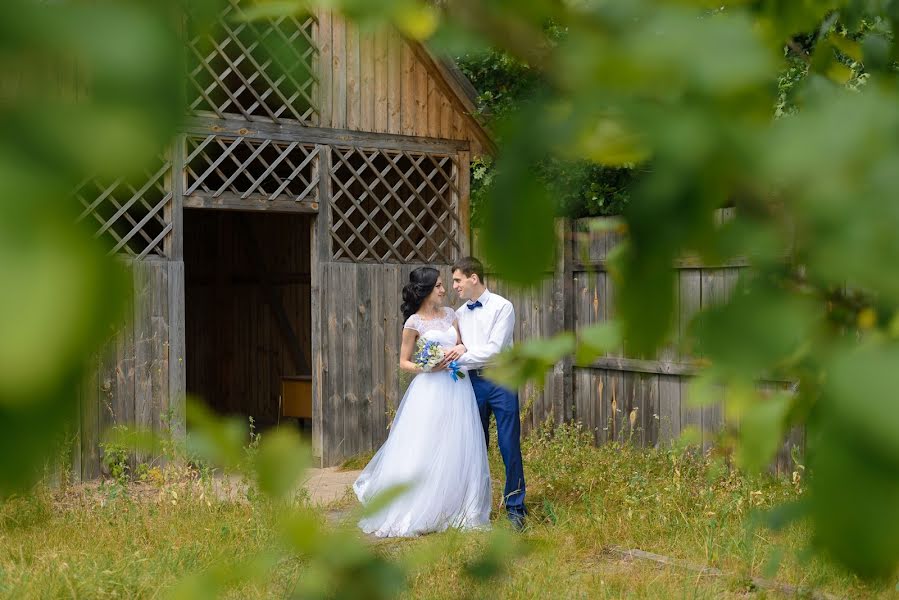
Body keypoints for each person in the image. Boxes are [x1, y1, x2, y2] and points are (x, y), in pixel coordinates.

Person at [353, 267, 492, 538]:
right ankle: (419, 506)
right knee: (427, 444)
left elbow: (462, 345)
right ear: (426, 290)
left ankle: (455, 506)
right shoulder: (414, 323)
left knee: (455, 443)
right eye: (439, 285)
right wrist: (426, 367)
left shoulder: (452, 315)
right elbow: (403, 362)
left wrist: (461, 349)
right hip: (429, 389)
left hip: (458, 385)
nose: (444, 290)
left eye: (444, 285)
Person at [449, 256, 527, 530]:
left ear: (473, 277)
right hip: (472, 383)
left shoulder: (503, 307)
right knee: (474, 447)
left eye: (458, 280)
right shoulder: (458, 314)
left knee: (509, 446)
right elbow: (455, 345)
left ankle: (516, 510)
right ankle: (475, 509)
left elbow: (494, 349)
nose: (454, 286)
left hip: (502, 379)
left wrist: (461, 356)